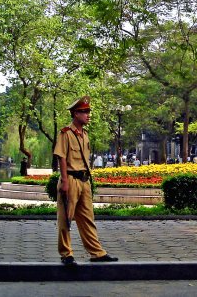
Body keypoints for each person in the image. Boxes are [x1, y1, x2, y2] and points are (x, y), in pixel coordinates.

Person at [53, 96, 118, 266]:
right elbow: (61, 157)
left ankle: (97, 253)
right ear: (75, 113)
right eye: (84, 112)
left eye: (89, 111)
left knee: (88, 218)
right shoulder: (65, 133)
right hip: (71, 180)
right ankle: (66, 254)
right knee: (65, 219)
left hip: (84, 181)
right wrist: (65, 181)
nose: (88, 115)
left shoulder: (85, 135)